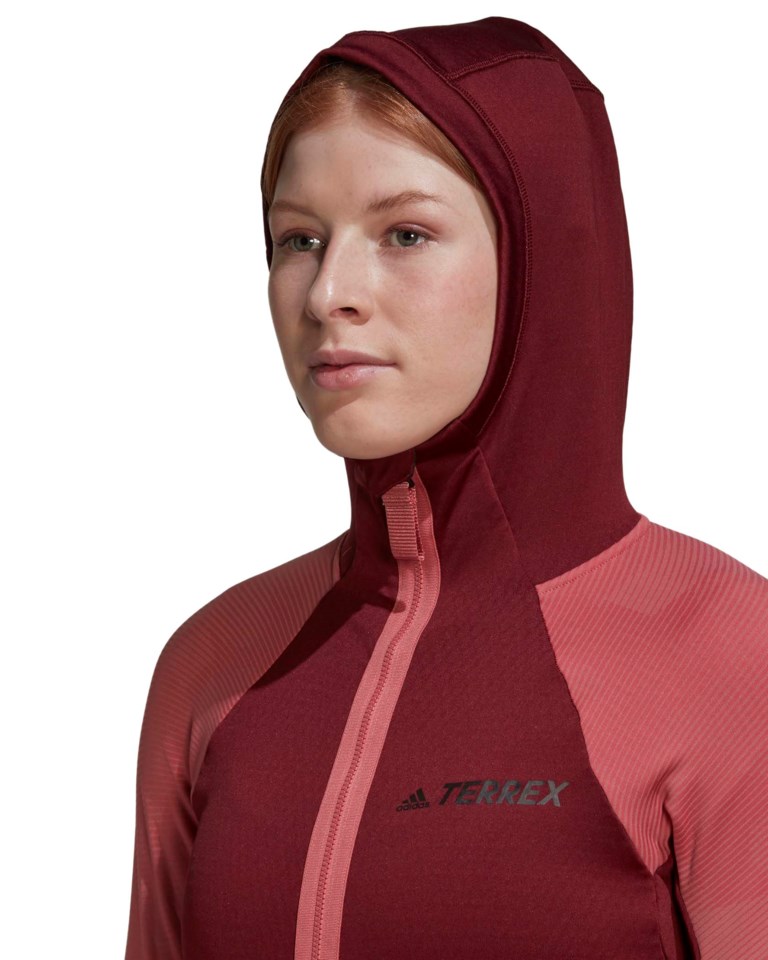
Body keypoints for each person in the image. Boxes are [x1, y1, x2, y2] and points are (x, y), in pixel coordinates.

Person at [123, 16, 768, 960]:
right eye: (298, 238)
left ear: (544, 256)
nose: (328, 293)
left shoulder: (728, 656)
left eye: (406, 233)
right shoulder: (217, 662)